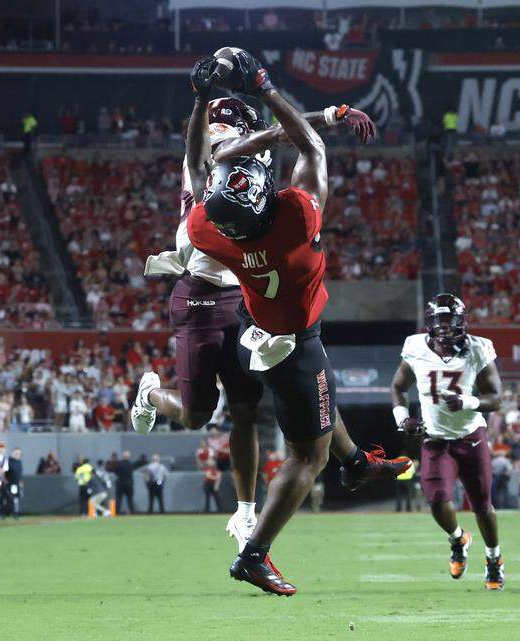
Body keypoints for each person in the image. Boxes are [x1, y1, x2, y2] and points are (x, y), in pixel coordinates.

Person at [183, 49, 409, 596]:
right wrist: (264, 87)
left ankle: (355, 463)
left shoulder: (206, 228)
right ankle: (255, 555)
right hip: (290, 343)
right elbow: (310, 146)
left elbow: (198, 168)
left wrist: (197, 106)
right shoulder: (295, 220)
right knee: (308, 452)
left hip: (252, 328)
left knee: (323, 397)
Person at [132, 84, 377, 557]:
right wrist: (320, 118)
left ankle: (247, 511)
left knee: (263, 397)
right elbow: (267, 140)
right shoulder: (208, 158)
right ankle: (150, 394)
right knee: (199, 413)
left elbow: (279, 136)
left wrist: (322, 117)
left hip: (242, 292)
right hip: (203, 291)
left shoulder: (246, 157)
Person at [391, 294, 506, 591]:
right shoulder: (415, 347)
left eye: (450, 322)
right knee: (437, 499)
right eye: (439, 322)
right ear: (430, 324)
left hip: (471, 436)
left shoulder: (479, 349)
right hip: (436, 437)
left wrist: (468, 402)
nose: (444, 328)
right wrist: (403, 419)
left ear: (461, 322)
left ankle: (494, 559)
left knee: (482, 506)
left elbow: (496, 398)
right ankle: (458, 539)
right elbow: (398, 387)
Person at [115, 450, 137, 515]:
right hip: (129, 483)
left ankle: (117, 512)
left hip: (120, 483)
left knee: (119, 498)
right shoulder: (131, 464)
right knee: (130, 499)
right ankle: (132, 512)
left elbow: (116, 472)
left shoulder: (119, 463)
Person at [4, 447, 24, 518]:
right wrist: (4, 480)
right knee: (13, 498)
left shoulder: (19, 462)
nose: (18, 455)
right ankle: (13, 512)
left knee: (16, 498)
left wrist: (21, 481)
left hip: (17, 483)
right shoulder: (8, 461)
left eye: (19, 453)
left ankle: (13, 512)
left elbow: (20, 473)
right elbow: (4, 472)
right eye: (16, 453)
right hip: (11, 483)